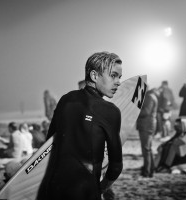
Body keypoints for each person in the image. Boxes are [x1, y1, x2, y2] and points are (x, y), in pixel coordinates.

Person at [37, 51, 123, 200]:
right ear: (94, 76)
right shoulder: (110, 112)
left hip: (52, 189)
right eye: (113, 75)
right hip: (85, 191)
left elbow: (50, 143)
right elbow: (116, 166)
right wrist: (101, 188)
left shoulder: (66, 100)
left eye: (119, 77)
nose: (118, 82)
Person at [136, 88, 159, 178]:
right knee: (148, 148)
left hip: (146, 125)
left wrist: (135, 110)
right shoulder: (152, 96)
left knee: (146, 149)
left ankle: (147, 171)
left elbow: (146, 112)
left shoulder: (149, 97)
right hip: (149, 124)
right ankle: (150, 169)